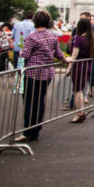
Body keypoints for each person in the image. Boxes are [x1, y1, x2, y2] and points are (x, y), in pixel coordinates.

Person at [14, 10, 68, 142]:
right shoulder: (52, 36)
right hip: (47, 73)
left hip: (33, 73)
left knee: (29, 102)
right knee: (40, 101)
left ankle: (27, 131)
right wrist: (67, 60)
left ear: (34, 22)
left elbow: (24, 55)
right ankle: (36, 130)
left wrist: (21, 53)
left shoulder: (32, 37)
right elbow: (59, 54)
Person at [66, 17, 94, 123]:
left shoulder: (79, 38)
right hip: (88, 64)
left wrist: (68, 68)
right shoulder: (91, 38)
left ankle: (79, 113)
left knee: (77, 90)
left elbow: (74, 56)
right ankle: (80, 112)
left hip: (79, 65)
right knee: (80, 89)